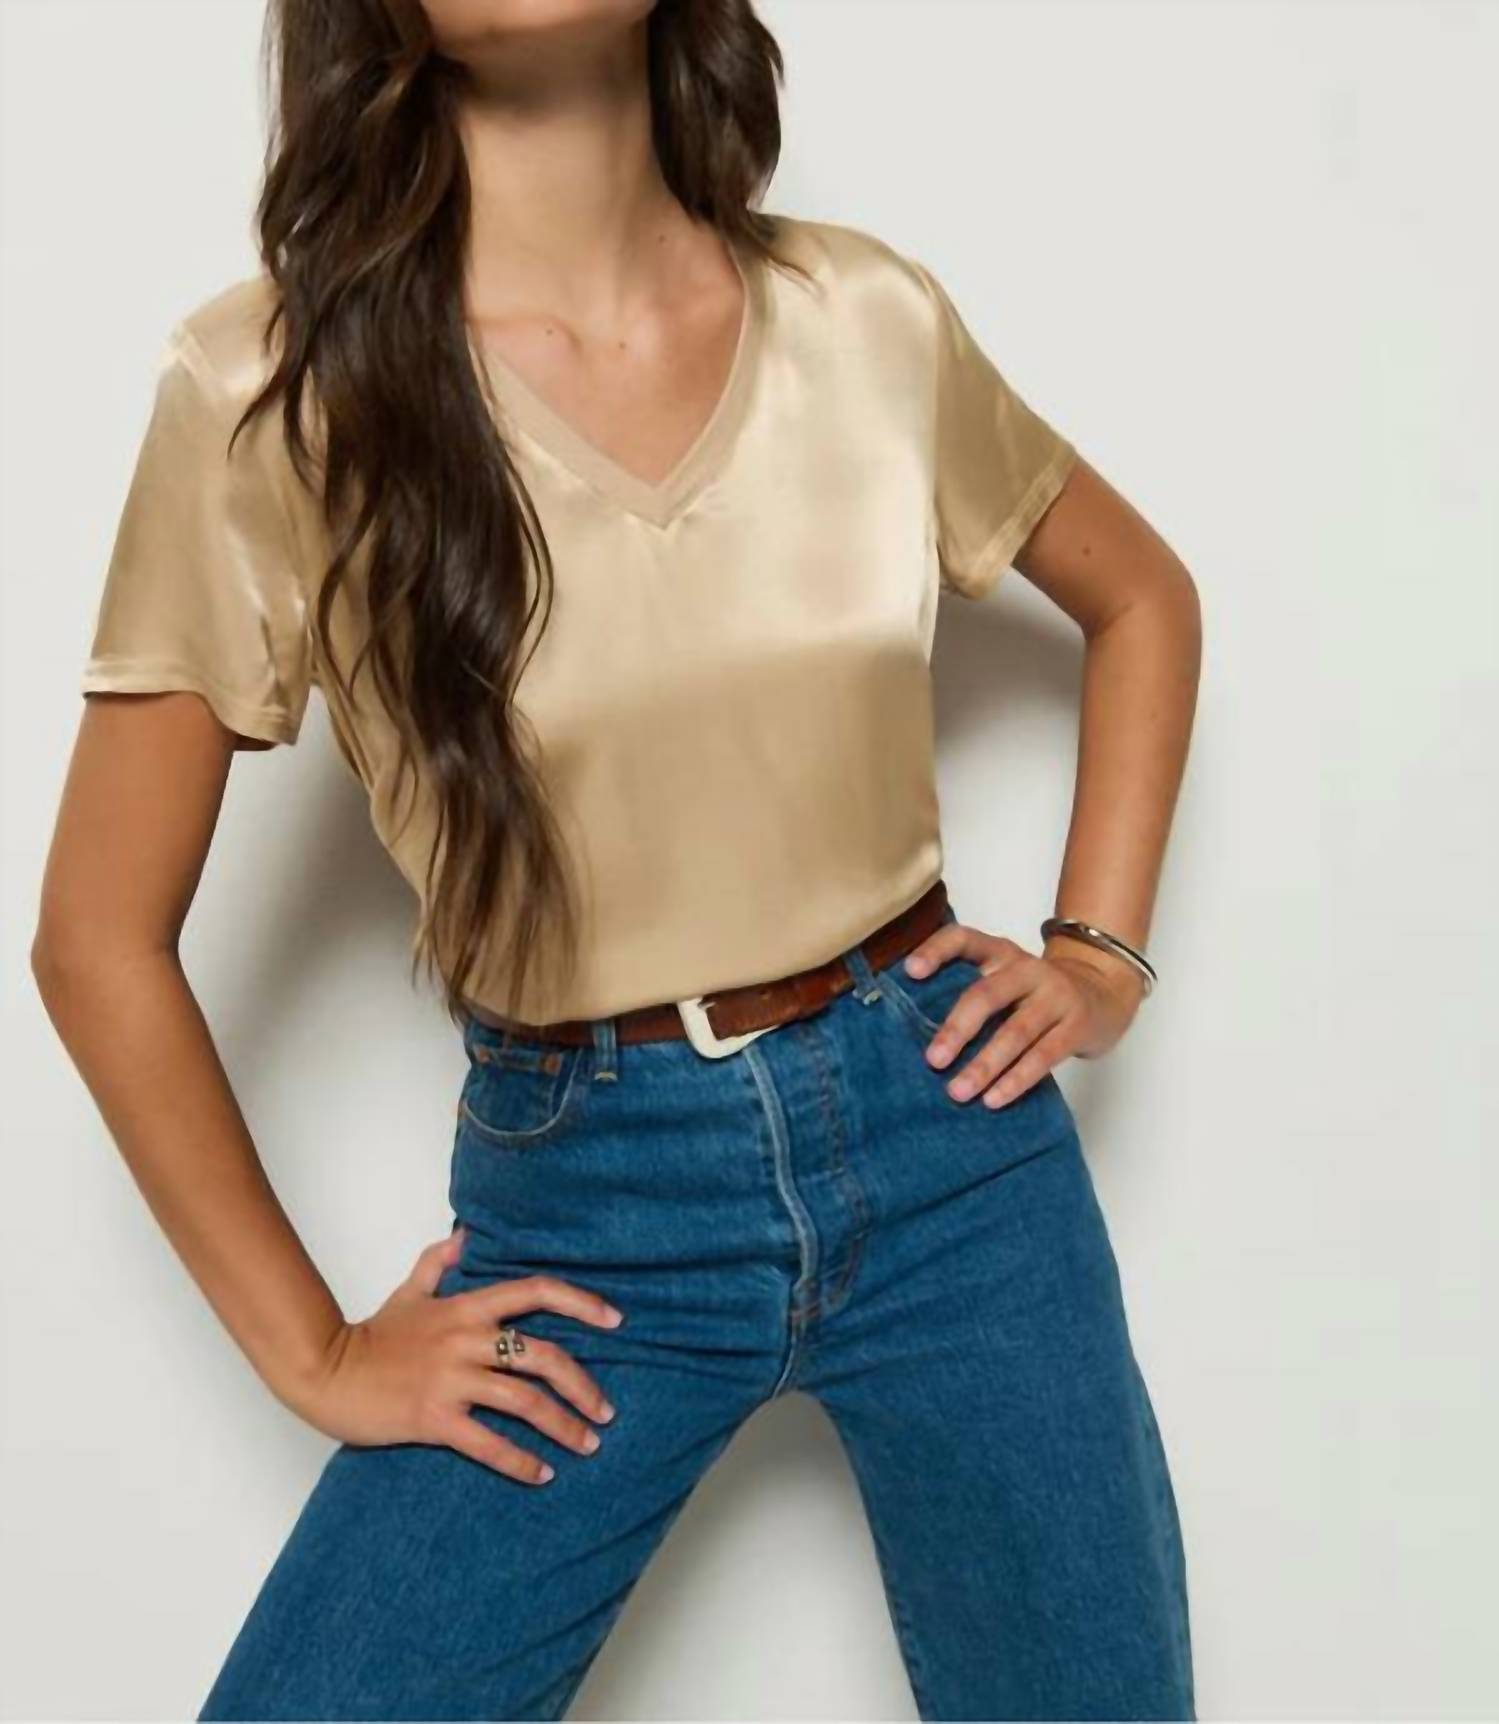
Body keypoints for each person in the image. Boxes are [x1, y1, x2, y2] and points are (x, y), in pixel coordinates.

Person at [32, 0, 1203, 1718]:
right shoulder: (266, 392)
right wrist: (320, 1351)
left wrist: (1098, 953)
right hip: (595, 1210)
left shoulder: (863, 317)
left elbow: (1143, 597)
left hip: (954, 1151)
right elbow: (94, 940)